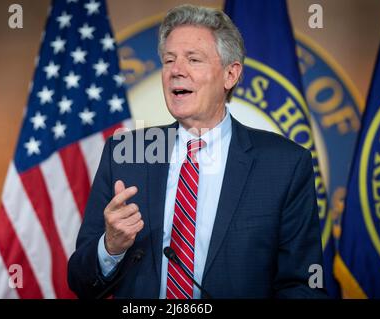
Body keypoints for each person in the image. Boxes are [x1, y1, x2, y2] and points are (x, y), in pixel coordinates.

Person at [67, 4, 327, 299]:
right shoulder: (126, 152)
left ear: (231, 74)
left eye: (193, 59)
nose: (177, 71)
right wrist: (110, 247)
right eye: (169, 60)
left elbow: (305, 285)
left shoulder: (284, 164)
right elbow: (79, 279)